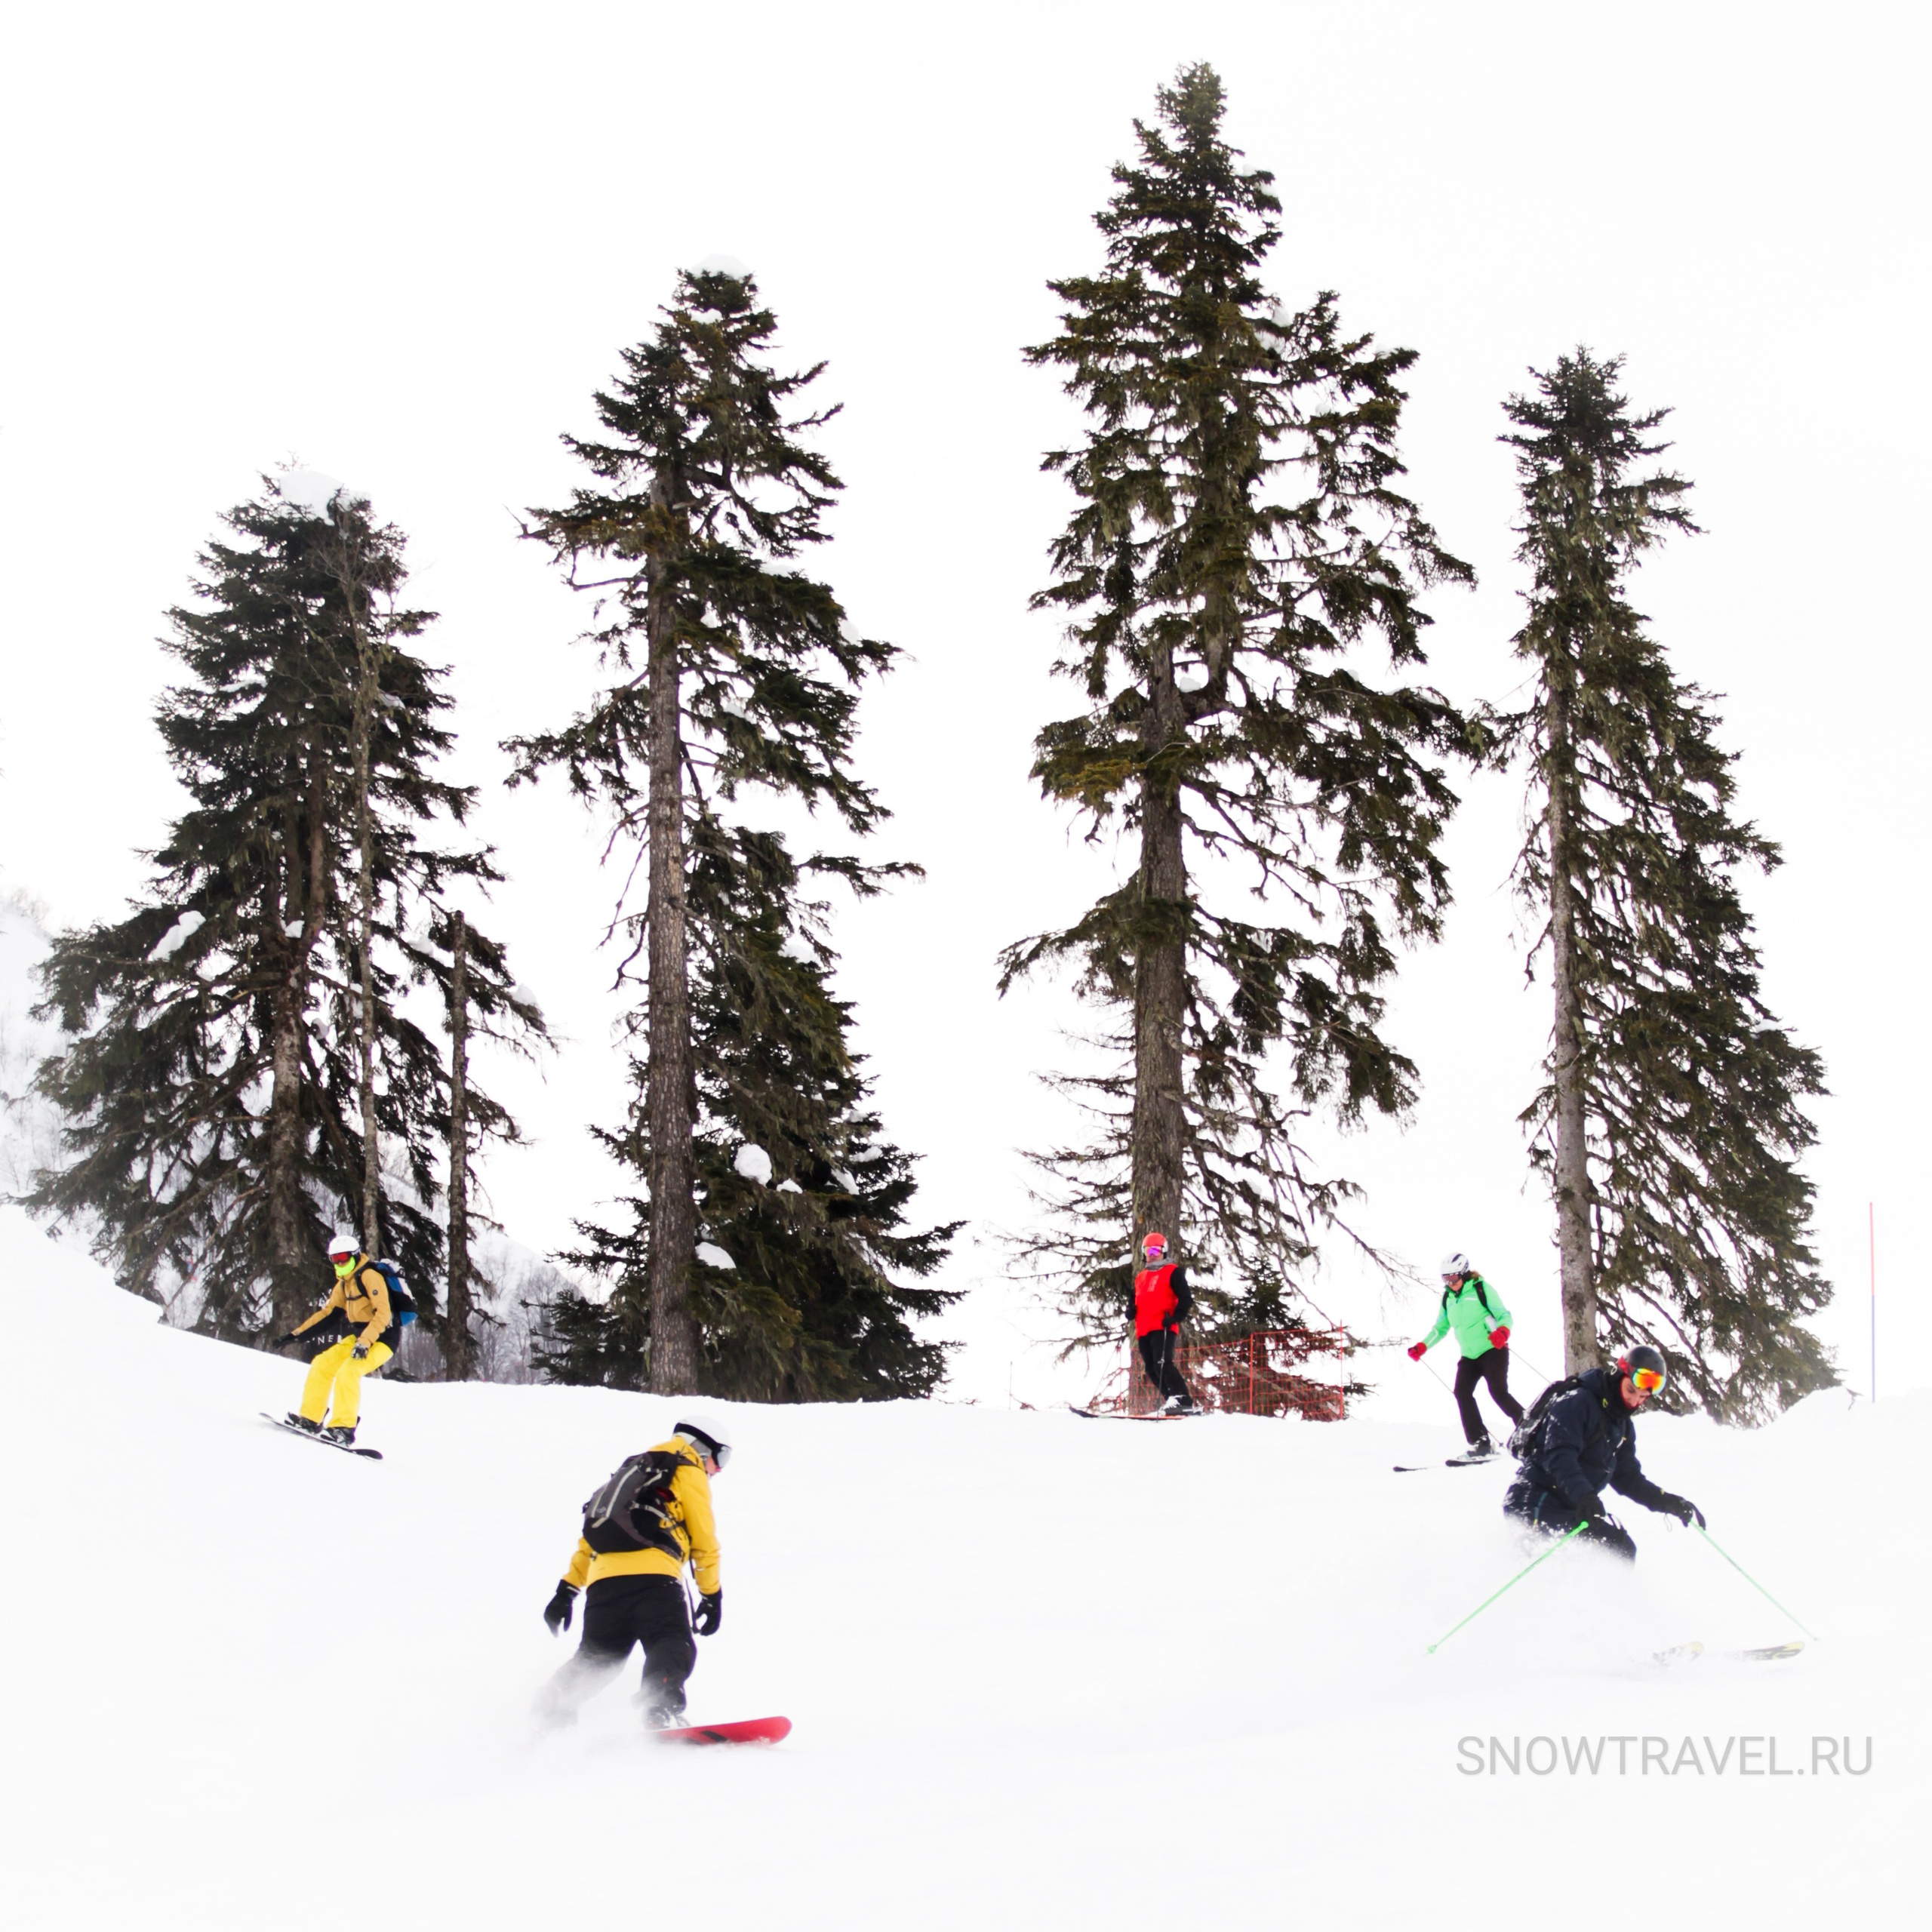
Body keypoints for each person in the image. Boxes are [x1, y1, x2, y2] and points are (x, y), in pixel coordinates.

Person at [538, 1417, 728, 1731]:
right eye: (721, 1457)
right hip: (655, 1580)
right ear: (702, 1448)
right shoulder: (688, 1467)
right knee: (671, 1641)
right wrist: (711, 1595)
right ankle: (660, 1710)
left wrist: (566, 1592)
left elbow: (591, 1540)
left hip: (604, 1586)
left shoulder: (632, 1472)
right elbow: (704, 1541)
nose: (719, 1469)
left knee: (600, 1659)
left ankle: (547, 1711)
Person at [1502, 1345, 1705, 1561]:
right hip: (1535, 1500)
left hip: (1572, 1507)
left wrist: (1668, 1502)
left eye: (1643, 1397)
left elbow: (1628, 1478)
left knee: (1621, 1550)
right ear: (1619, 1376)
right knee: (1567, 1562)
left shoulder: (1622, 1426)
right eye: (1631, 1391)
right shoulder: (1577, 1402)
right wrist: (1586, 1496)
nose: (1635, 1401)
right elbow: (1559, 1456)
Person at [278, 1227, 397, 1445]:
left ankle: (344, 1428)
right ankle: (311, 1419)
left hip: (382, 1338)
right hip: (358, 1337)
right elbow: (328, 1315)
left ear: (355, 1256)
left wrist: (365, 1342)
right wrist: (296, 1335)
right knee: (322, 1364)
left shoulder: (370, 1276)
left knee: (349, 1371)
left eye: (343, 1258)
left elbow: (383, 1314)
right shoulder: (345, 1284)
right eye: (335, 1259)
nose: (339, 1263)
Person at [1407, 1251, 1524, 1456]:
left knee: (1498, 1392)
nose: (1450, 1283)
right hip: (1469, 1357)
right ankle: (1481, 1443)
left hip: (1492, 1350)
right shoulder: (1448, 1298)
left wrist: (1503, 1332)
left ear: (1464, 1273)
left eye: (1453, 1277)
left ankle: (1529, 1428)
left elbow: (1504, 1315)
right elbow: (1440, 1328)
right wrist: (1422, 1346)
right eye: (1445, 1278)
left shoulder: (1481, 1289)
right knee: (1462, 1392)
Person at [1134, 1231, 1198, 1415]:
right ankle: (1172, 1399)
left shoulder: (1173, 1272)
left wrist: (1176, 1317)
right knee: (1151, 1368)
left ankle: (1183, 1399)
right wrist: (1130, 1310)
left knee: (1162, 1364)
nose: (1152, 1254)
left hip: (1163, 1325)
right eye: (1148, 1251)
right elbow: (1134, 1299)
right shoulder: (1141, 1277)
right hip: (1144, 1329)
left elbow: (1186, 1298)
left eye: (1155, 1250)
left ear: (1164, 1251)